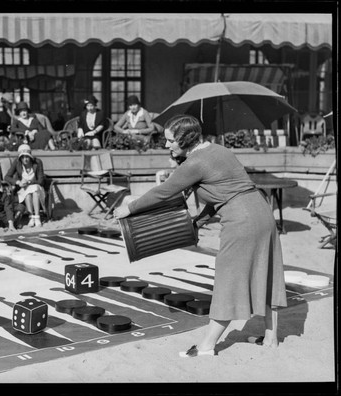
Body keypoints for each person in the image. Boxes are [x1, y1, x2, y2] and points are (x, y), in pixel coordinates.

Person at [114, 114, 287, 357]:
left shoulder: (194, 163)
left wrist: (129, 208)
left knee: (228, 280)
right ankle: (271, 339)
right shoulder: (219, 150)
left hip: (242, 222)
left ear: (185, 138)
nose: (167, 145)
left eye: (171, 140)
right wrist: (198, 222)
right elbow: (223, 193)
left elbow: (163, 192)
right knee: (265, 273)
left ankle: (207, 346)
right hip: (262, 212)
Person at [4, 144, 46, 228]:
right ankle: (31, 217)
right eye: (22, 157)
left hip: (37, 188)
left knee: (34, 190)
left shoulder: (37, 162)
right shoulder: (17, 163)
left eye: (27, 157)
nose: (25, 159)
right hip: (23, 190)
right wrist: (18, 182)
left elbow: (41, 180)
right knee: (28, 192)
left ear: (30, 156)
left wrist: (29, 182)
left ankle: (37, 217)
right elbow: (7, 177)